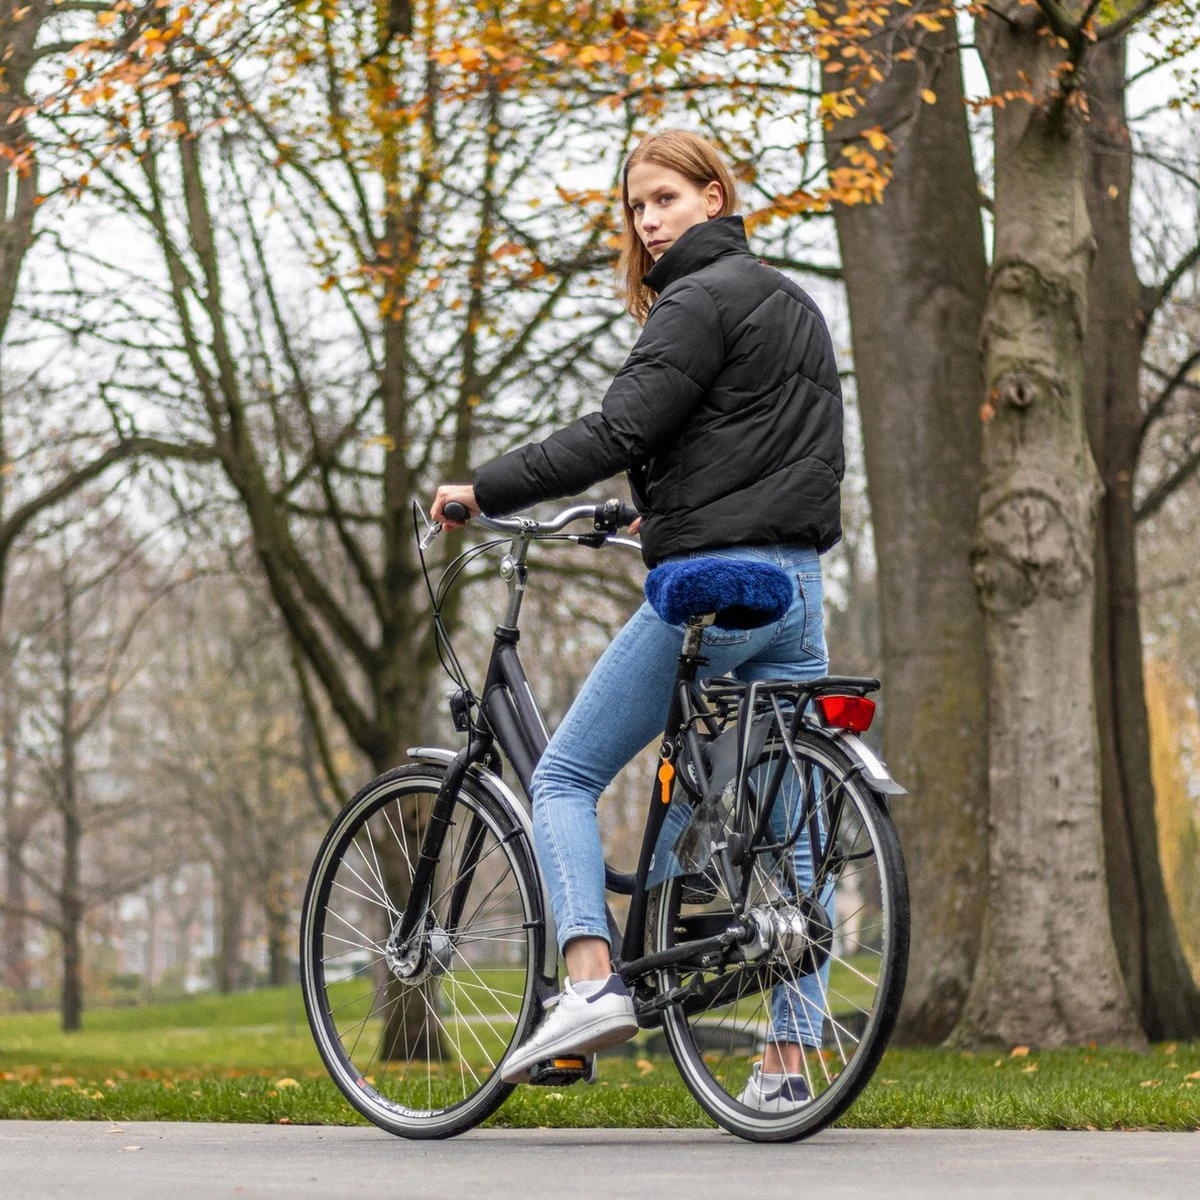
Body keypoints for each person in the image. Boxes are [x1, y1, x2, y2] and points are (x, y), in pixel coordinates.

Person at [431, 129, 844, 1110]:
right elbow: (758, 451)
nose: (648, 221)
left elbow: (617, 430)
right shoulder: (792, 303)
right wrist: (650, 517)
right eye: (636, 207)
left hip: (717, 587)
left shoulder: (696, 301)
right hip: (796, 583)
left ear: (713, 196)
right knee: (790, 832)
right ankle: (788, 1069)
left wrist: (484, 490)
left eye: (665, 198)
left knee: (565, 776)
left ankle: (588, 986)